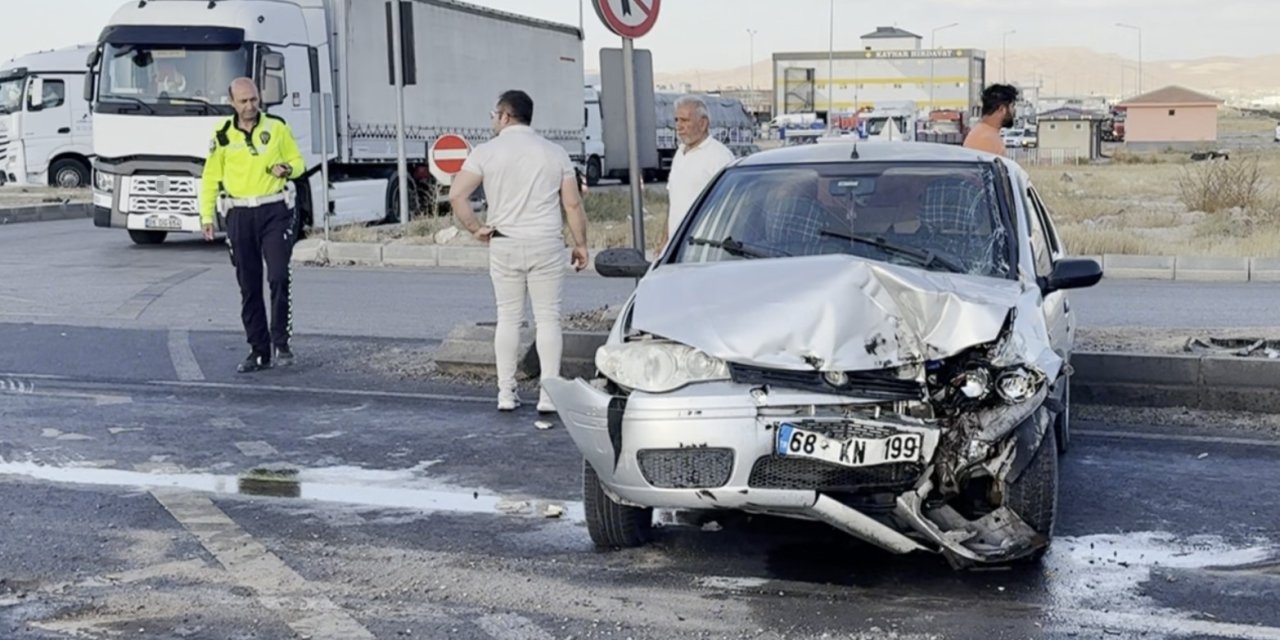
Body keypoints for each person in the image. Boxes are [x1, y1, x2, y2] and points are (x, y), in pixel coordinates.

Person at [449, 90, 590, 412]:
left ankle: (505, 392)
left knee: (508, 319)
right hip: (546, 243)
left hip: (504, 242)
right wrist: (581, 244)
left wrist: (475, 228)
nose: (493, 120)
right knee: (548, 319)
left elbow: (458, 195)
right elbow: (571, 203)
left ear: (505, 116)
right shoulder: (554, 153)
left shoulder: (486, 152)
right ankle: (548, 394)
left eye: (494, 115)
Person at [199, 77, 305, 373]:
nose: (250, 106)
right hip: (239, 213)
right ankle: (259, 351)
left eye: (254, 100)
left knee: (278, 275)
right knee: (249, 283)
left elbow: (299, 161)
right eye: (243, 101)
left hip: (274, 209)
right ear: (232, 102)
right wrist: (206, 216)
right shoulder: (221, 135)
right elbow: (210, 177)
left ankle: (281, 340)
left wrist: (288, 168)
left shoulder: (276, 127)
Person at [662, 95, 736, 250]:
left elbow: (731, 206)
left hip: (705, 247)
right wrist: (665, 241)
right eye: (676, 120)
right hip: (677, 248)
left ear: (703, 124)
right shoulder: (680, 153)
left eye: (685, 120)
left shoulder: (719, 157)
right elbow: (673, 202)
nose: (679, 126)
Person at [963, 84, 1020, 157]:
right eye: (1012, 106)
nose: (1014, 111)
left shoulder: (983, 133)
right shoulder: (986, 140)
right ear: (1002, 109)